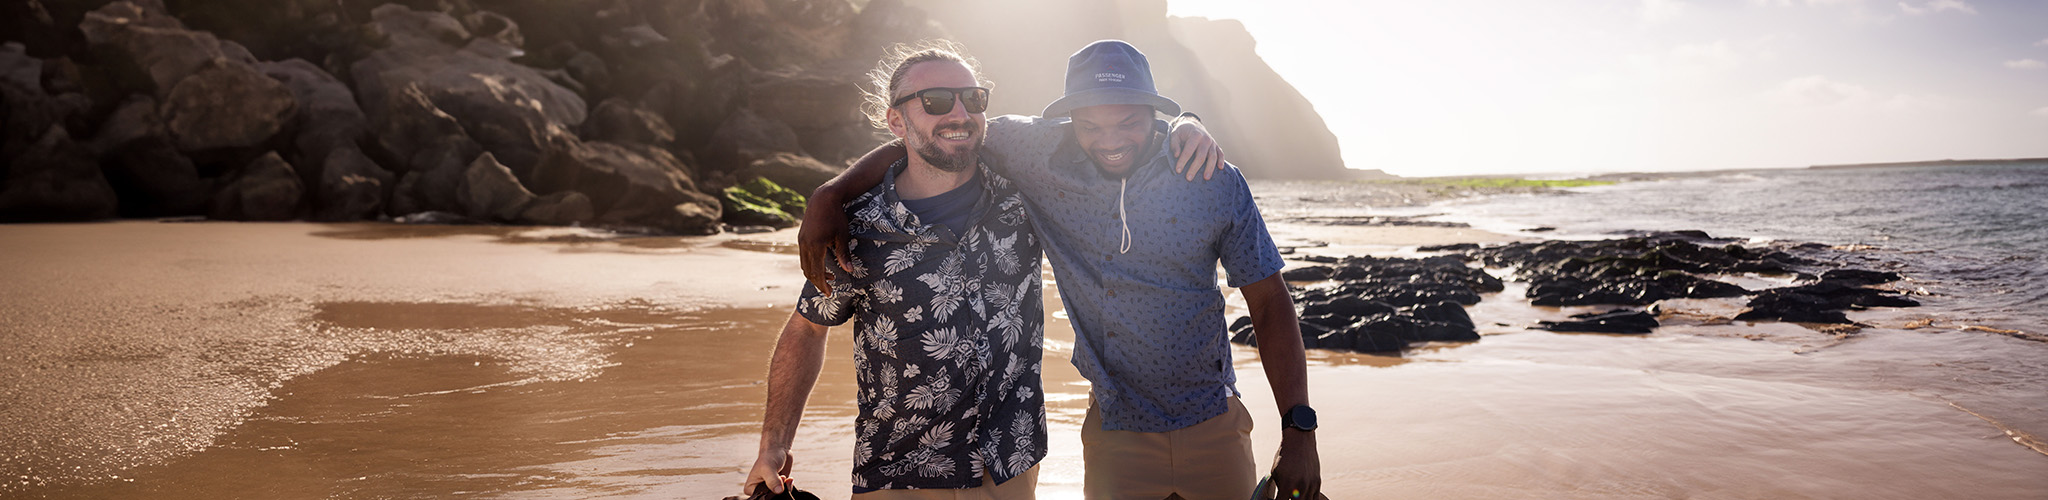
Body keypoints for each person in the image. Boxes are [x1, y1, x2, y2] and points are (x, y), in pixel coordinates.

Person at [802, 40, 1321, 500]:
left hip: (1214, 421)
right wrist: (832, 193)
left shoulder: (1210, 178)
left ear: (1155, 115)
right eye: (1091, 125)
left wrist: (1299, 429)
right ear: (1069, 119)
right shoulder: (1035, 151)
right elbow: (936, 136)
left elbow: (1270, 301)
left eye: (1129, 123)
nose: (1109, 139)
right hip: (1114, 430)